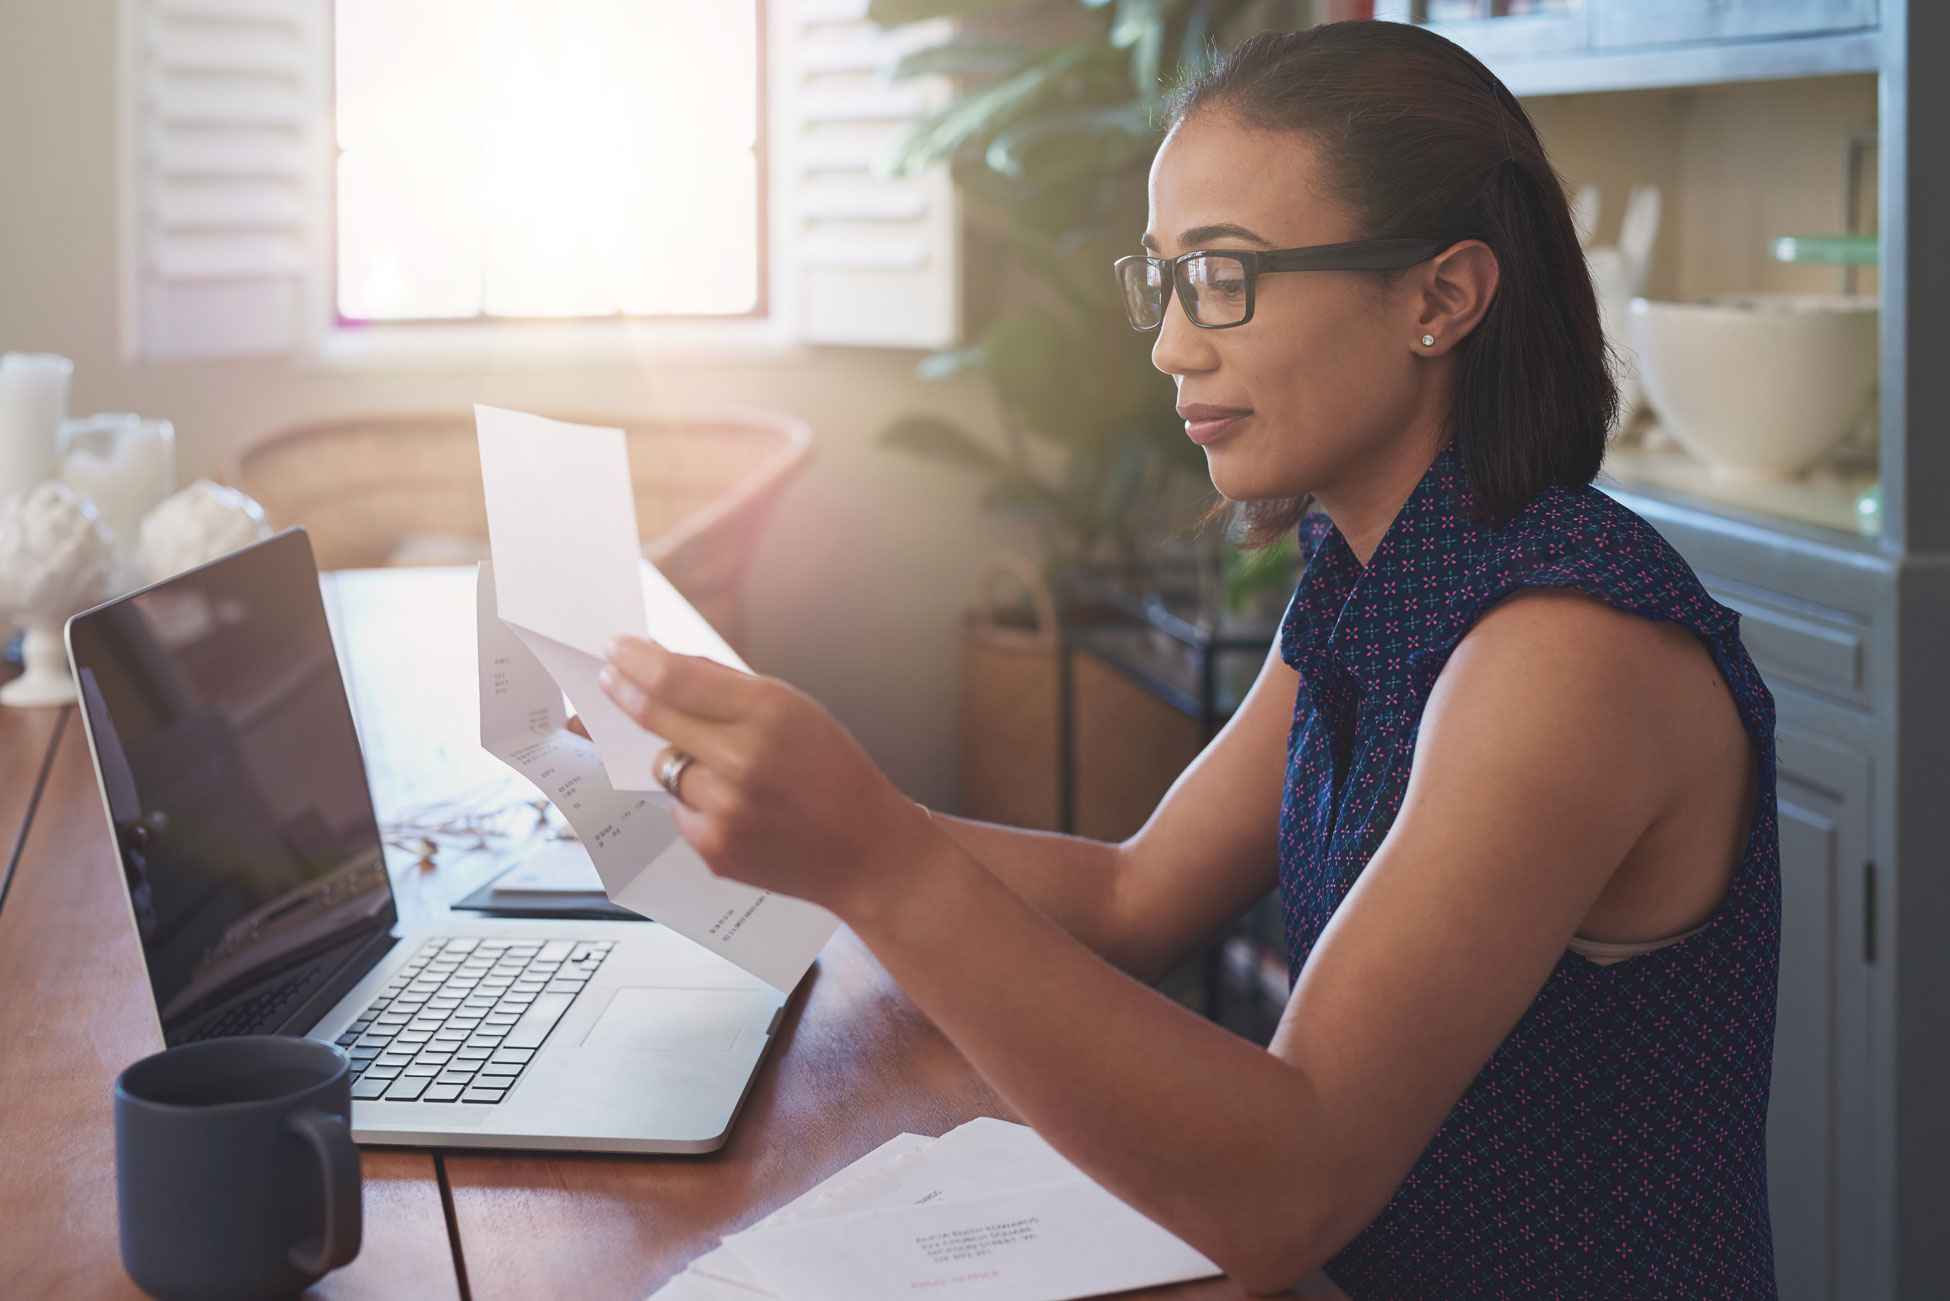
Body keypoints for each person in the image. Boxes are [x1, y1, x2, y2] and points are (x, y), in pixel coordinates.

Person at [594, 21, 1778, 1299]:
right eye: (1163, 281)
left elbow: (1293, 1179)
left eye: (1224, 275)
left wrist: (873, 858)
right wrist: (816, 824)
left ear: (1441, 297)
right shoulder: (1377, 576)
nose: (1169, 344)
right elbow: (1134, 896)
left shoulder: (1566, 653)